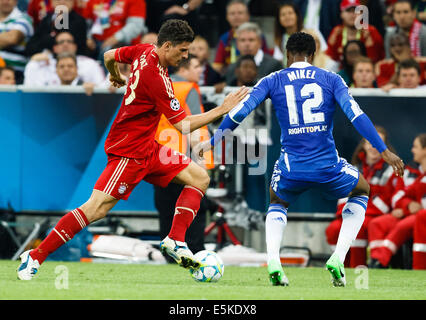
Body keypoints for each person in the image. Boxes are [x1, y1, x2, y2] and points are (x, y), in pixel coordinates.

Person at [17, 19, 249, 280]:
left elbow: (108, 55)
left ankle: (175, 239)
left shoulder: (143, 50)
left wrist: (115, 75)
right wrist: (221, 109)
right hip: (128, 150)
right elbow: (183, 125)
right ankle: (35, 256)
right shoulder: (158, 79)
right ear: (168, 45)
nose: (186, 56)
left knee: (199, 177)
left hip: (148, 146)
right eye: (183, 50)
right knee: (96, 209)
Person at [197, 32, 404, 287]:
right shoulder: (331, 78)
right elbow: (356, 115)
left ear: (287, 54)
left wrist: (213, 141)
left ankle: (274, 260)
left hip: (291, 166)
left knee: (277, 200)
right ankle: (338, 258)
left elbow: (240, 112)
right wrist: (383, 149)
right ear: (313, 54)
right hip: (328, 165)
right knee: (362, 189)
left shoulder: (272, 79)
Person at [154, 54, 214, 259]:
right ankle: (195, 251)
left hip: (157, 155)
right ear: (184, 69)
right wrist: (203, 161)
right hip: (182, 158)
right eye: (197, 66)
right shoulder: (189, 89)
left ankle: (168, 253)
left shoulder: (161, 84)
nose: (200, 71)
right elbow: (196, 128)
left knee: (165, 205)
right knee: (195, 205)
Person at [326, 126, 397, 267]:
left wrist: (360, 204)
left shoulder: (390, 170)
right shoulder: (353, 169)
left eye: (378, 143)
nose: (373, 147)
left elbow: (385, 204)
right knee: (334, 228)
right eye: (370, 142)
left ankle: (357, 269)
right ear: (364, 145)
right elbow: (342, 199)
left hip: (374, 218)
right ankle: (339, 266)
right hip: (351, 214)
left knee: (359, 226)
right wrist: (369, 196)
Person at [369, 133, 426, 269]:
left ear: (425, 150)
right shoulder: (408, 171)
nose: (412, 150)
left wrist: (413, 208)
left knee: (408, 223)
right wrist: (407, 206)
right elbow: (397, 197)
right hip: (405, 214)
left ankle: (380, 260)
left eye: (415, 147)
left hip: (417, 217)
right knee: (376, 224)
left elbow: (420, 205)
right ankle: (376, 261)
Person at [24, 31, 106, 87]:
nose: (65, 44)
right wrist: (33, 61)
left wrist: (95, 87)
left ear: (75, 46)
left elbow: (103, 90)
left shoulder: (90, 64)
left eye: (69, 41)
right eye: (61, 42)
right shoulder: (42, 63)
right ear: (54, 48)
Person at [212, 0, 269, 74]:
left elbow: (266, 62)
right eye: (232, 13)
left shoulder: (258, 35)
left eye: (240, 13)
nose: (236, 16)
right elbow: (217, 66)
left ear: (248, 15)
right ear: (227, 17)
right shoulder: (224, 38)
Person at [326, 0, 384, 65]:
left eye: (356, 11)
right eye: (348, 10)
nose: (352, 14)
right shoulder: (336, 32)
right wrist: (332, 42)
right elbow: (330, 59)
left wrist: (370, 45)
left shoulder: (371, 31)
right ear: (341, 14)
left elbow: (378, 59)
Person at [224, 22, 282, 86]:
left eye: (251, 40)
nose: (247, 44)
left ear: (260, 43)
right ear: (237, 44)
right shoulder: (232, 68)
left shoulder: (274, 66)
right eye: (242, 40)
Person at [0, 0, 34, 84]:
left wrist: (7, 37)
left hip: (16, 74)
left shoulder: (24, 18)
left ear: (16, 1)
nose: (5, 1)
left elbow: (12, 39)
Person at [272, 2, 304, 68]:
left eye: (290, 13)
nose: (287, 17)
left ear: (297, 15)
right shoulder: (279, 38)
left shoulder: (310, 33)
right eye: (283, 14)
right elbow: (277, 62)